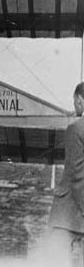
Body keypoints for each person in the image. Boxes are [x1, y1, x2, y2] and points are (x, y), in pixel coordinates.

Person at [48, 82, 84, 266]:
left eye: (74, 101)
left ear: (79, 100)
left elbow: (76, 175)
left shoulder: (75, 129)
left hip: (70, 216)